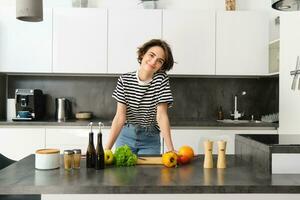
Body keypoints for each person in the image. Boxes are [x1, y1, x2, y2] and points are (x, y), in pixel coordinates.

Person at [105, 39, 175, 155]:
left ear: (161, 67)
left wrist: (171, 150)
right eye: (151, 55)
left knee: (149, 173)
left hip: (150, 139)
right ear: (142, 54)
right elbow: (119, 117)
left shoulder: (161, 79)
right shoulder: (124, 79)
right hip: (125, 136)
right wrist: (106, 150)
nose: (153, 62)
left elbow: (161, 115)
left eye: (159, 61)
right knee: (122, 173)